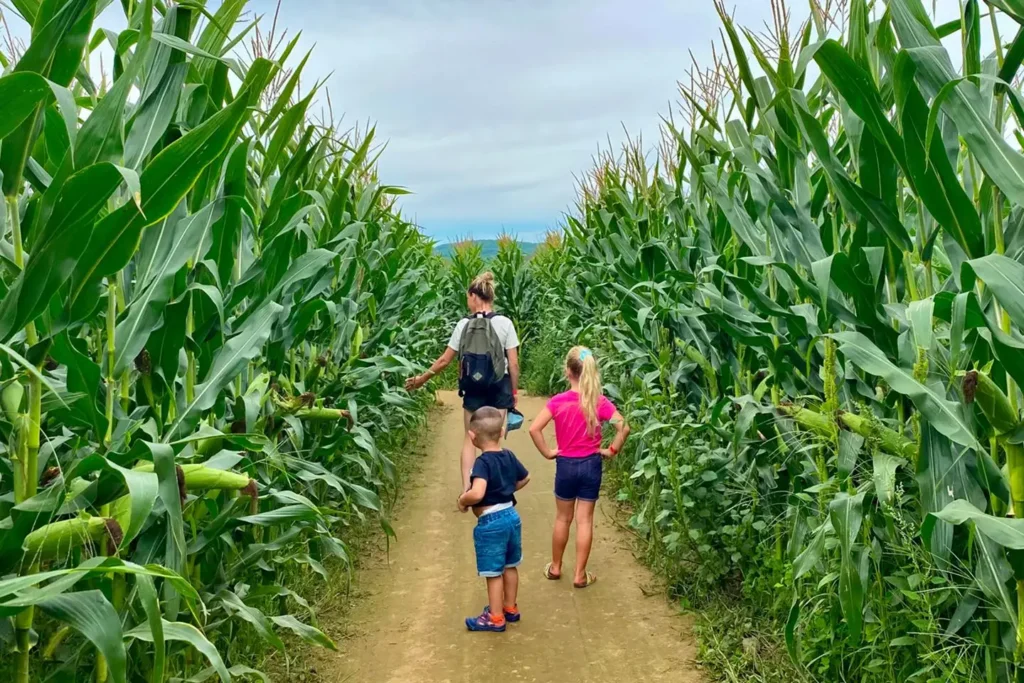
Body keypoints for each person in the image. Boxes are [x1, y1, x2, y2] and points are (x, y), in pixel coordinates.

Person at [405, 272, 520, 491]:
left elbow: (444, 361)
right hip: (499, 387)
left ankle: (467, 489)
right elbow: (513, 364)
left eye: (468, 297)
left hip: (473, 388)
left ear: (474, 296)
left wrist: (421, 379)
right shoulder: (505, 323)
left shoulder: (463, 325)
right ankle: (494, 489)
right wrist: (513, 392)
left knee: (470, 439)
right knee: (494, 442)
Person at [528, 346, 629, 588]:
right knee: (584, 521)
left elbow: (534, 429)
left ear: (567, 371)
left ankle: (555, 567)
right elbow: (623, 426)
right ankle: (580, 575)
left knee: (563, 518)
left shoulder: (557, 402)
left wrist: (548, 452)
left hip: (565, 465)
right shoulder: (599, 402)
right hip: (591, 465)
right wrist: (612, 450)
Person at [457, 407, 530, 632]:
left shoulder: (482, 463)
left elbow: (478, 493)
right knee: (510, 565)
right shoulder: (508, 455)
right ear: (501, 433)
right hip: (511, 516)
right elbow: (526, 477)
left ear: (472, 437)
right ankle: (510, 607)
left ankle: (496, 617)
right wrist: (508, 489)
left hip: (491, 522)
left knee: (493, 571)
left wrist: (463, 500)